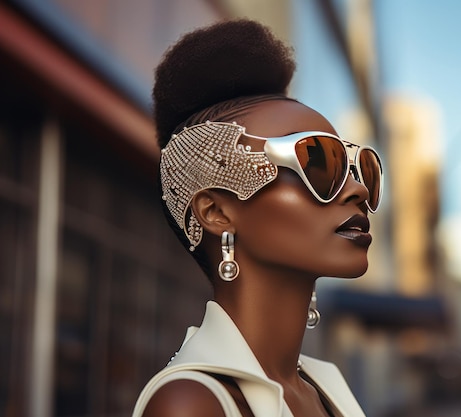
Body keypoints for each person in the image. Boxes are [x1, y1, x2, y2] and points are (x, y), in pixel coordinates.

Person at [132, 19, 383, 417]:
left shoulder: (326, 386)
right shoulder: (192, 403)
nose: (359, 190)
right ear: (215, 212)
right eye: (320, 161)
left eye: (360, 168)